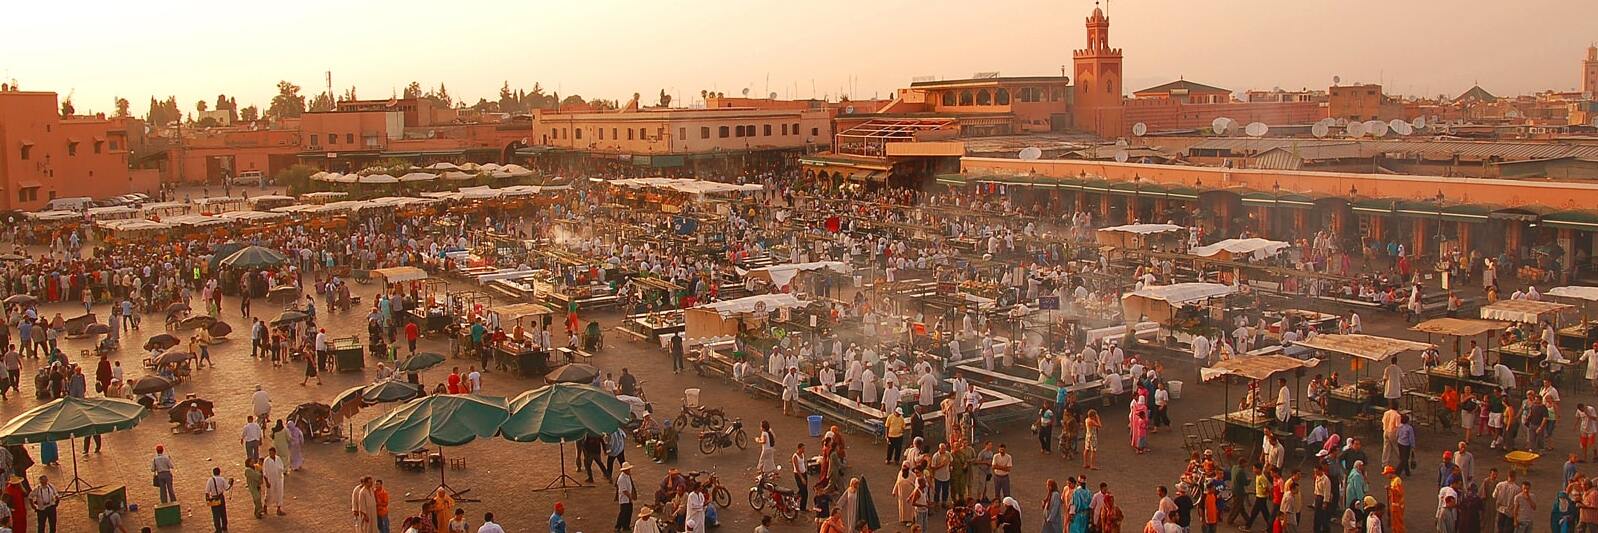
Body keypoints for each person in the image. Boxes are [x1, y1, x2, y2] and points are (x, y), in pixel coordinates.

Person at [203, 467, 232, 532]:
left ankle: (218, 529)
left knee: (216, 515)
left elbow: (207, 491)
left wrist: (207, 499)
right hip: (221, 497)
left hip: (214, 498)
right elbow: (227, 488)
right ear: (219, 472)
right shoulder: (222, 479)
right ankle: (224, 526)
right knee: (223, 512)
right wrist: (230, 483)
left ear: (213, 473)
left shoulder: (210, 480)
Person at [262, 447, 287, 516]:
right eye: (270, 453)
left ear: (275, 453)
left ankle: (278, 509)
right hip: (270, 480)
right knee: (269, 494)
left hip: (279, 479)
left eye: (272, 453)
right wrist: (267, 482)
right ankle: (265, 506)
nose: (271, 454)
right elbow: (264, 472)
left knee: (279, 493)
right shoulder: (266, 461)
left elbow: (281, 468)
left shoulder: (278, 459)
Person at [615, 462, 636, 533]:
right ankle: (618, 526)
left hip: (627, 498)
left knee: (628, 512)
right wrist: (630, 498)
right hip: (624, 499)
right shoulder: (621, 479)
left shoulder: (627, 476)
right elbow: (624, 491)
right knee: (623, 513)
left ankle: (626, 526)